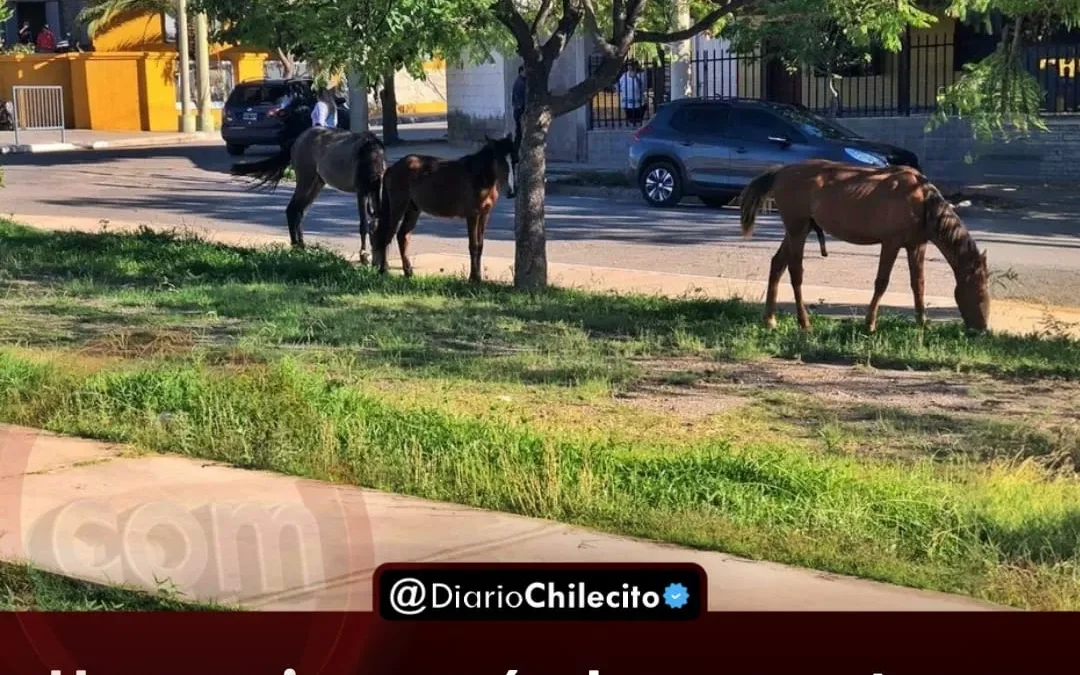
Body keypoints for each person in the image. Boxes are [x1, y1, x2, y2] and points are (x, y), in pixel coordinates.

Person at [617, 61, 646, 126]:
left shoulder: (641, 74)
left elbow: (642, 87)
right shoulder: (624, 75)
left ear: (635, 66)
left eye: (631, 65)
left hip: (638, 101)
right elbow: (619, 85)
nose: (629, 67)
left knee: (638, 119)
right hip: (627, 101)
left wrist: (635, 77)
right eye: (628, 65)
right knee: (630, 119)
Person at [512, 66, 527, 150]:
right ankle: (516, 152)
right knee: (520, 134)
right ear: (521, 71)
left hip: (519, 111)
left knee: (519, 133)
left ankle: (517, 152)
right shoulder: (520, 83)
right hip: (519, 111)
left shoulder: (522, 81)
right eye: (525, 71)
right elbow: (519, 100)